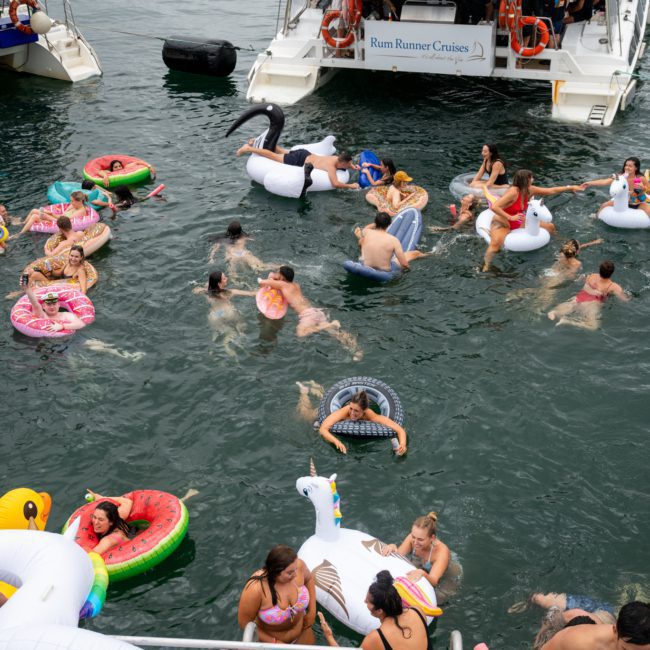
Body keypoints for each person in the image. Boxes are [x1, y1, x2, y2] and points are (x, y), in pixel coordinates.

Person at [482, 169, 583, 272]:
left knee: (550, 226)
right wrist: (510, 217)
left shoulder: (530, 190)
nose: (533, 179)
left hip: (519, 220)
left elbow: (550, 191)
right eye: (531, 178)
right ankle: (485, 265)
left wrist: (571, 187)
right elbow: (494, 207)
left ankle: (559, 241)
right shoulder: (513, 192)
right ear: (525, 180)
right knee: (495, 245)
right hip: (503, 222)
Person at [258, 267, 362, 359]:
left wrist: (272, 276)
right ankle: (357, 350)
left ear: (281, 276)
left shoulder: (281, 284)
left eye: (278, 272)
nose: (276, 273)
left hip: (307, 315)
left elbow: (262, 283)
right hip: (316, 311)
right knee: (336, 334)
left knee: (301, 333)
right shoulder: (295, 285)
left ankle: (331, 324)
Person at [319, 570, 432, 650]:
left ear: (379, 611)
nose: (364, 601)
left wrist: (329, 636)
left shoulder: (375, 638)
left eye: (368, 601)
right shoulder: (418, 611)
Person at [237, 545, 316, 645]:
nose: (296, 575)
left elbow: (309, 579)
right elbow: (244, 622)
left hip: (303, 634)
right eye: (290, 573)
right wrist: (275, 643)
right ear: (275, 572)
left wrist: (312, 612)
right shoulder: (256, 588)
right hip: (272, 643)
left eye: (295, 570)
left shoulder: (298, 566)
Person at [381, 512, 461, 602]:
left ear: (432, 538)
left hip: (449, 575)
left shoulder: (441, 552)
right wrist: (393, 547)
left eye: (420, 539)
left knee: (439, 599)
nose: (415, 542)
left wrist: (423, 573)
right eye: (413, 537)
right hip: (425, 565)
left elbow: (434, 581)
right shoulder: (414, 538)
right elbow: (399, 556)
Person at [310, 387, 407, 455]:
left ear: (364, 411)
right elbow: (323, 429)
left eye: (356, 410)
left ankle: (316, 389)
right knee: (305, 414)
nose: (352, 413)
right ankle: (305, 392)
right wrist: (337, 442)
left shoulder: (371, 415)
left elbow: (400, 430)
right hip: (316, 414)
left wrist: (402, 444)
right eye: (351, 408)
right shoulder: (344, 412)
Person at [236, 141, 360, 191]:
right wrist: (351, 186)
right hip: (299, 160)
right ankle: (248, 148)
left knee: (279, 150)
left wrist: (353, 166)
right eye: (348, 164)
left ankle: (258, 142)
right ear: (342, 162)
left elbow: (346, 163)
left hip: (304, 153)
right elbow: (336, 184)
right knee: (274, 156)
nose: (349, 165)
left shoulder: (336, 158)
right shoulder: (331, 167)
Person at [547, 260, 630, 329]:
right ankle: (567, 321)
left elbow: (584, 282)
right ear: (611, 273)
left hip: (578, 298)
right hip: (590, 305)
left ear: (599, 270)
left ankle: (554, 312)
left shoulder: (592, 276)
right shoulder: (613, 286)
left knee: (564, 308)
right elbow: (624, 299)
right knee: (593, 326)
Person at [539, 600, 650, 650]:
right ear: (615, 630)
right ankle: (532, 598)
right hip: (578, 615)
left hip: (606, 620)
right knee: (545, 602)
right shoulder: (580, 642)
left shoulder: (632, 640)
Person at [193, 270, 256, 355]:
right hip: (228, 313)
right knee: (240, 326)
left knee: (221, 333)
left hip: (214, 316)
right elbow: (251, 294)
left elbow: (195, 291)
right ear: (219, 284)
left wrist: (204, 288)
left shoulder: (206, 292)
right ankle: (238, 338)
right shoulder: (229, 292)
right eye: (224, 278)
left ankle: (216, 349)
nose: (227, 278)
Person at [354, 212, 429, 272]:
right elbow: (404, 264)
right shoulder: (394, 240)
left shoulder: (366, 232)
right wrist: (408, 270)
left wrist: (376, 223)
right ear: (389, 224)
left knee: (362, 240)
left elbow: (367, 227)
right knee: (416, 253)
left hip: (366, 265)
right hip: (384, 271)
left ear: (376, 223)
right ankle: (431, 254)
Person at [582, 157, 650, 217]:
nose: (627, 167)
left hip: (639, 201)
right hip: (624, 201)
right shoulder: (620, 177)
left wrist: (643, 188)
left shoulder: (641, 178)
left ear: (636, 168)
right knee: (604, 205)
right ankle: (594, 219)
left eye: (630, 166)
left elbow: (649, 191)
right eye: (626, 165)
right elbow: (605, 181)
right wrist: (589, 183)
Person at [10, 191, 89, 239]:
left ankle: (19, 234)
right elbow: (63, 215)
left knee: (35, 216)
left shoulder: (81, 211)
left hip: (61, 223)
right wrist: (50, 213)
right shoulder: (73, 206)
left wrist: (49, 215)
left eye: (72, 201)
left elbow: (65, 221)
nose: (70, 202)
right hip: (59, 218)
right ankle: (23, 223)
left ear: (79, 201)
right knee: (34, 210)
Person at [208, 220, 275, 273]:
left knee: (233, 276)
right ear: (240, 230)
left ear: (229, 230)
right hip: (244, 253)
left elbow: (215, 248)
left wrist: (211, 258)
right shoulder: (244, 236)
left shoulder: (222, 238)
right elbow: (254, 239)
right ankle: (279, 267)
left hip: (232, 255)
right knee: (262, 267)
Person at [85, 489, 134, 556]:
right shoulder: (118, 517)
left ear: (111, 522)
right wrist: (102, 498)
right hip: (132, 532)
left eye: (101, 519)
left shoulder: (108, 541)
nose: (95, 522)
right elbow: (127, 502)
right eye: (94, 517)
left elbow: (89, 557)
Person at [21, 285, 87, 333]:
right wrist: (27, 289)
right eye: (49, 304)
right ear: (43, 306)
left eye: (54, 304)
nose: (52, 307)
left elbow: (81, 324)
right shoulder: (42, 315)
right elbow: (35, 303)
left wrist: (62, 326)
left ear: (59, 305)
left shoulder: (66, 315)